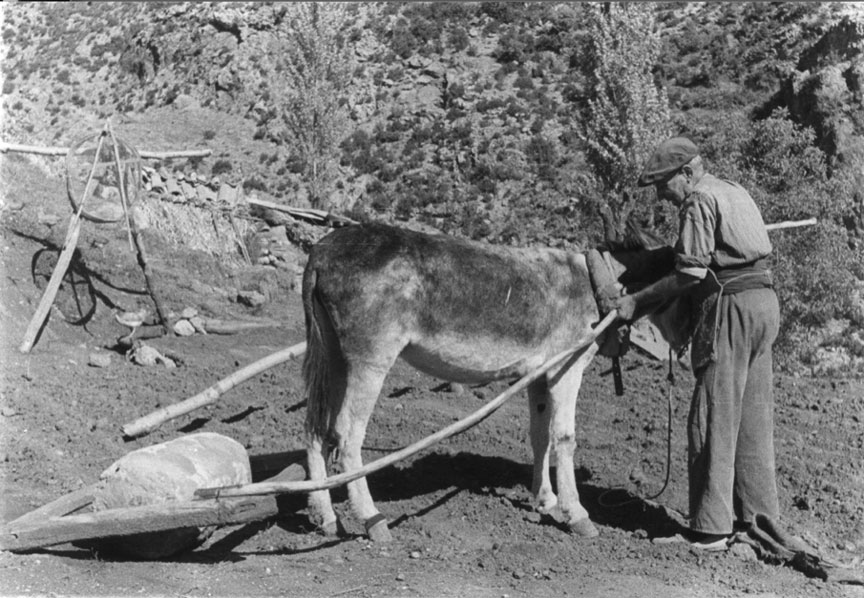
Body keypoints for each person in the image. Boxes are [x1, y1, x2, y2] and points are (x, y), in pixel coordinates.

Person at [611, 137, 781, 551]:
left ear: (686, 173)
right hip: (764, 305)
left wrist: (636, 300)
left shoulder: (698, 200)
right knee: (752, 415)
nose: (661, 196)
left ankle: (709, 530)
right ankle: (755, 522)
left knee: (713, 412)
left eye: (662, 184)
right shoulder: (733, 191)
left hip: (732, 307)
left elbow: (690, 273)